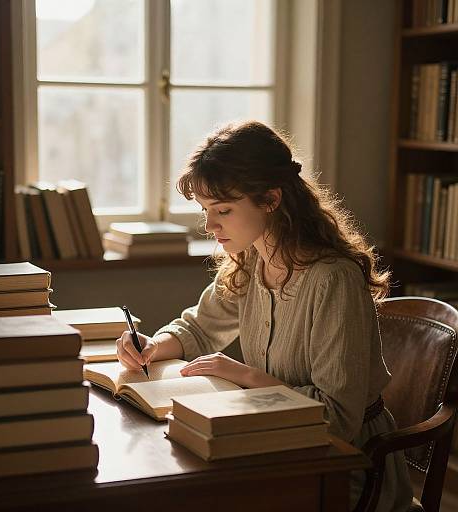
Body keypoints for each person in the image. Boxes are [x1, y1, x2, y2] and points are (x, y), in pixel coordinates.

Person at [116, 120, 413, 511]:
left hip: (344, 465)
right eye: (206, 210)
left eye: (223, 210)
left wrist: (243, 374)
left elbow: (338, 418)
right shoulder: (251, 260)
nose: (210, 225)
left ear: (271, 200)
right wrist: (153, 345)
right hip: (274, 441)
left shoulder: (333, 279)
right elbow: (199, 327)